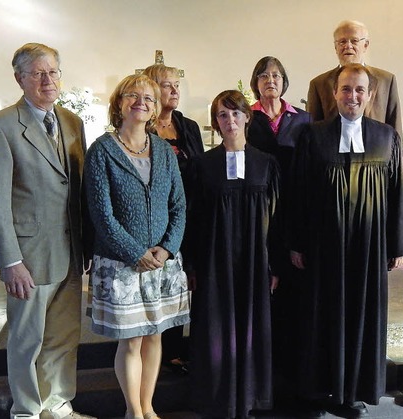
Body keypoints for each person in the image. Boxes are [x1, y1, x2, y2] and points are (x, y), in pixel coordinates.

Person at [289, 64, 403, 418]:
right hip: (323, 248)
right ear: (334, 93)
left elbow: (398, 193)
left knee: (362, 314)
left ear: (371, 95)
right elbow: (298, 194)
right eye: (346, 89)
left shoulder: (386, 137)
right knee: (320, 314)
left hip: (368, 249)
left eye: (360, 90)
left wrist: (398, 245)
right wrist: (296, 242)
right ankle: (318, 388)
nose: (352, 97)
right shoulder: (313, 136)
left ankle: (353, 392)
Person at [0, 43, 94, 419]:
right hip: (29, 256)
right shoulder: (1, 126)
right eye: (37, 73)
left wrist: (88, 245)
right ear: (20, 79)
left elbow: (78, 191)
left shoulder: (73, 123)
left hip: (70, 252)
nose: (48, 80)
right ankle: (26, 411)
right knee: (27, 341)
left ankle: (58, 405)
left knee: (62, 337)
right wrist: (10, 261)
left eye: (53, 72)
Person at [83, 74, 190, 419]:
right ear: (119, 103)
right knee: (130, 340)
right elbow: (101, 213)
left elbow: (179, 205)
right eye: (133, 95)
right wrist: (135, 252)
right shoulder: (102, 150)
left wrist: (167, 247)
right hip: (121, 264)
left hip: (161, 263)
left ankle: (149, 407)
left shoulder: (163, 149)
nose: (141, 101)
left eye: (149, 97)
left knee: (155, 336)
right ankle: (133, 412)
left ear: (156, 107)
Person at [187, 90, 280, 419]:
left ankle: (250, 397)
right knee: (216, 326)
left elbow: (278, 218)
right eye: (222, 115)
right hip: (215, 261)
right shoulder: (202, 165)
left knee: (252, 325)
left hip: (255, 262)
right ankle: (218, 400)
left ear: (247, 118)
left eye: (235, 114)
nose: (230, 121)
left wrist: (275, 264)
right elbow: (193, 219)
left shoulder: (266, 164)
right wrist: (192, 264)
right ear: (215, 122)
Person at [246, 56, 311, 405]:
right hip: (257, 214)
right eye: (263, 75)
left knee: (293, 294)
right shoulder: (246, 117)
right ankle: (260, 374)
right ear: (255, 81)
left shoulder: (302, 120)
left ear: (285, 81)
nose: (270, 80)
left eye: (276, 75)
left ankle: (291, 374)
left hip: (293, 213)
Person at [143, 63, 204, 375]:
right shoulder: (143, 127)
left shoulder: (188, 126)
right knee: (159, 286)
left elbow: (201, 168)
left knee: (185, 283)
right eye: (167, 85)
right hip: (155, 220)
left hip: (189, 215)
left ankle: (183, 348)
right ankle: (159, 351)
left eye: (177, 84)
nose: (175, 90)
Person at [306, 20, 403, 135]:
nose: (348, 46)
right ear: (335, 47)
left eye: (354, 41)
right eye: (342, 42)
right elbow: (313, 131)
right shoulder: (318, 84)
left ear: (365, 45)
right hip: (333, 151)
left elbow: (395, 128)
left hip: (376, 150)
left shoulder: (386, 80)